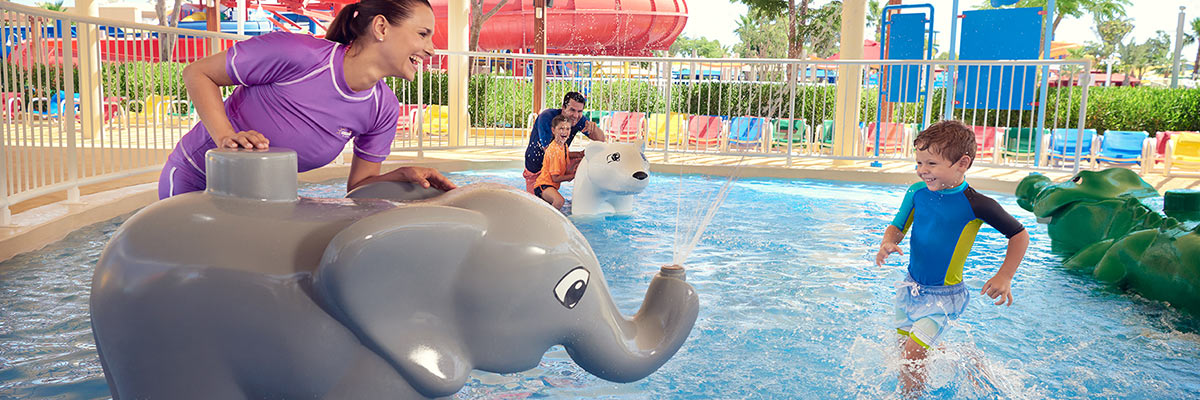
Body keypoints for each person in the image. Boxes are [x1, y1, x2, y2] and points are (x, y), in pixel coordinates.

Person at [157, 0, 455, 199]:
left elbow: (358, 188)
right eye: (422, 34)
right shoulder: (298, 54)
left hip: (258, 200)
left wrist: (400, 176)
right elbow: (198, 73)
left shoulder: (382, 109)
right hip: (195, 182)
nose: (431, 49)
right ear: (381, 28)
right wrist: (227, 137)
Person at [874, 120, 1030, 396]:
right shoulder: (917, 193)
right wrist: (888, 241)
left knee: (912, 355)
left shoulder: (976, 204)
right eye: (919, 163)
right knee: (905, 353)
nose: (923, 171)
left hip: (944, 296)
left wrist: (1004, 276)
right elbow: (898, 226)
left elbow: (1019, 235)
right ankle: (965, 359)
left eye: (931, 164)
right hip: (910, 288)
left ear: (962, 163)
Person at [523, 92, 605, 194]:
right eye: (572, 110)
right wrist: (569, 176)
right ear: (563, 108)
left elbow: (601, 140)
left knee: (587, 158)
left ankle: (588, 196)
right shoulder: (547, 117)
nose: (576, 115)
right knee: (538, 207)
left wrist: (594, 129)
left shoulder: (578, 119)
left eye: (580, 111)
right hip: (536, 171)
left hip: (556, 166)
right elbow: (550, 153)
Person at [533, 115, 575, 209]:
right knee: (559, 201)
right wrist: (572, 176)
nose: (564, 132)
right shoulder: (554, 150)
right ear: (553, 130)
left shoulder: (563, 146)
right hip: (543, 186)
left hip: (549, 186)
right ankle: (550, 223)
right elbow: (555, 178)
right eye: (561, 128)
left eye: (567, 129)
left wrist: (581, 154)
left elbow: (566, 155)